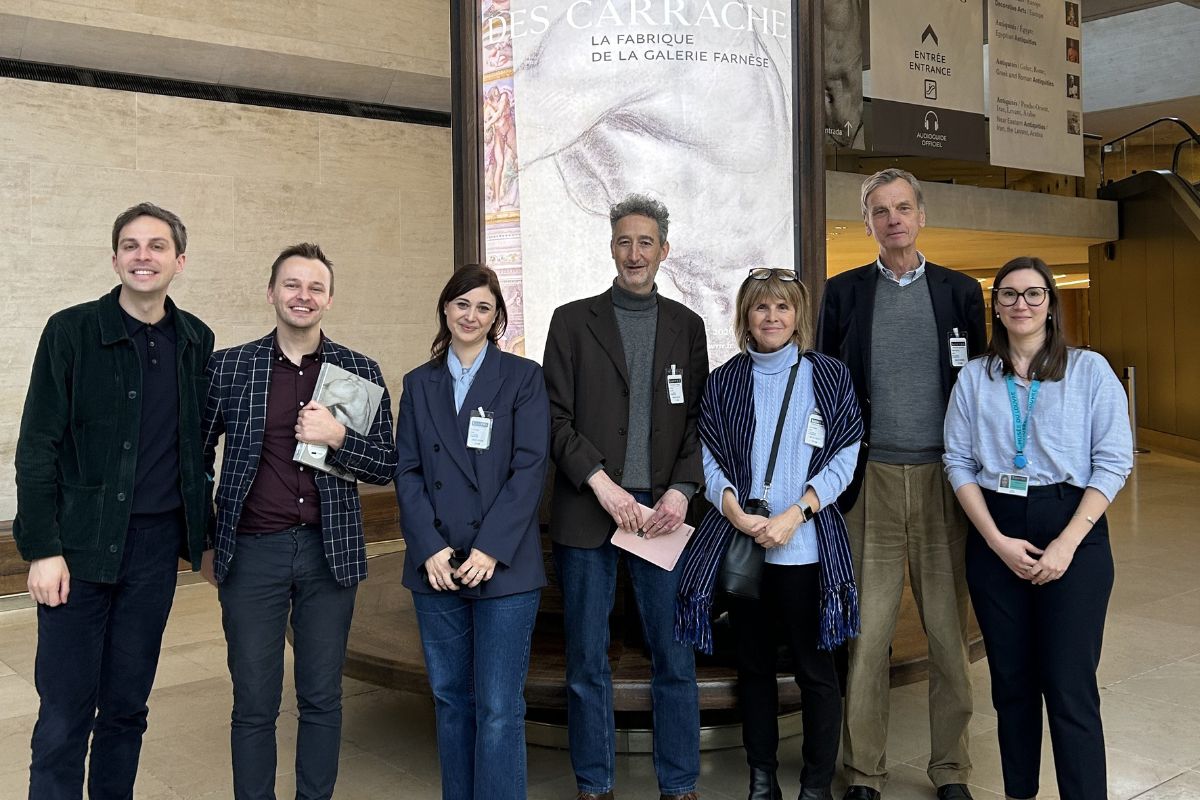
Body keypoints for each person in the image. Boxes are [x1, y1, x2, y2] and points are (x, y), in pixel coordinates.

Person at [13, 202, 214, 799]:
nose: (143, 256)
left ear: (179, 260)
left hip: (154, 552)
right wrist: (42, 548)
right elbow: (37, 445)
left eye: (156, 246)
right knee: (65, 712)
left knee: (127, 707)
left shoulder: (195, 340)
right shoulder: (71, 331)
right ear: (115, 258)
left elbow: (199, 445)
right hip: (78, 547)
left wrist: (200, 538)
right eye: (131, 245)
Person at [201, 242, 397, 800]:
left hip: (328, 552)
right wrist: (209, 539)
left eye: (315, 287)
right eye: (292, 285)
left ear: (329, 299)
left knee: (321, 697)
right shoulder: (231, 366)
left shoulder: (357, 371)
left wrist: (338, 439)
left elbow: (387, 463)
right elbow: (194, 453)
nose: (302, 296)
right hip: (252, 553)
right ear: (272, 293)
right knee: (255, 701)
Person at [816, 168, 986, 800]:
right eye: (880, 211)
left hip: (948, 480)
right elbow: (829, 386)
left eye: (903, 208)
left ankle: (952, 771)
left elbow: (982, 389)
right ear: (867, 223)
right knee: (869, 637)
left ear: (921, 216)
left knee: (948, 635)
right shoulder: (843, 295)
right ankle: (864, 773)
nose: (893, 219)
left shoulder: (961, 293)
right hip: (871, 482)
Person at [943, 256, 1132, 800]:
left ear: (1051, 302)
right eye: (1008, 295)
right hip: (996, 529)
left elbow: (1114, 462)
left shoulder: (1090, 370)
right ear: (995, 307)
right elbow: (958, 461)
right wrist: (995, 541)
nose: (1020, 305)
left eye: (1032, 294)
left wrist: (1067, 545)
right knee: (1013, 688)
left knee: (1070, 687)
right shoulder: (976, 378)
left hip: (1074, 526)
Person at [543, 194, 709, 800]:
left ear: (663, 251)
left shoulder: (688, 328)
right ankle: (594, 784)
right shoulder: (571, 320)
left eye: (646, 243)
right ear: (610, 247)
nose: (634, 253)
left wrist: (682, 491)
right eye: (623, 242)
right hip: (590, 506)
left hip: (661, 514)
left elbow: (696, 421)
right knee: (587, 658)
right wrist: (603, 484)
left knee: (673, 655)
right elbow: (555, 419)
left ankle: (681, 784)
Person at [675, 268, 863, 800]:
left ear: (798, 315)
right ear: (745, 318)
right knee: (752, 669)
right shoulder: (725, 380)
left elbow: (846, 455)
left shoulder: (828, 376)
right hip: (744, 547)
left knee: (815, 670)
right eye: (761, 308)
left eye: (783, 307)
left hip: (804, 547)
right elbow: (706, 457)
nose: (772, 317)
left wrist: (796, 514)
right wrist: (732, 509)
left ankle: (815, 785)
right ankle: (762, 779)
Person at [394, 264, 550, 799]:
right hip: (436, 566)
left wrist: (490, 548)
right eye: (462, 304)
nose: (471, 315)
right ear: (445, 309)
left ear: (497, 318)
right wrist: (428, 547)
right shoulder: (418, 382)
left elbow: (530, 468)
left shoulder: (523, 378)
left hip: (504, 566)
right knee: (450, 699)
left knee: (500, 707)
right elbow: (408, 469)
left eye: (484, 307)